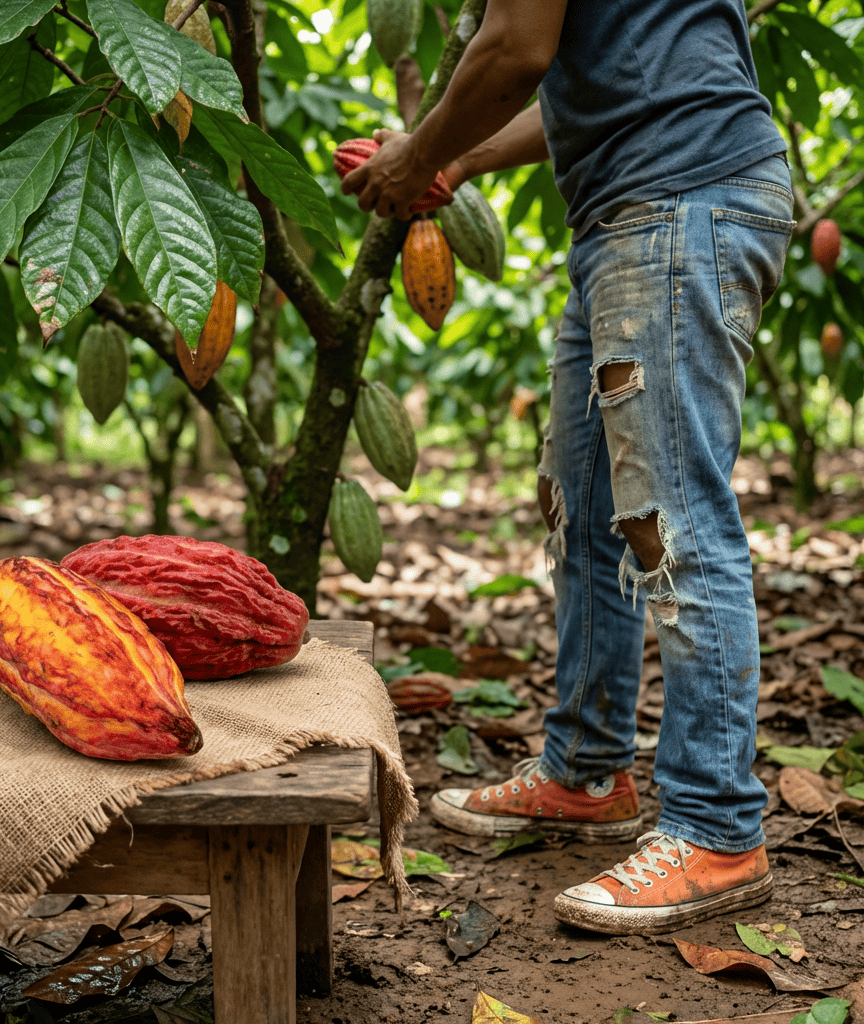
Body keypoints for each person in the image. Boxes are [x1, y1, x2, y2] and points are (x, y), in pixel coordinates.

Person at [342, 0, 795, 935]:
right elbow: (583, 79)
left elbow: (517, 48)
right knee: (587, 509)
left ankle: (716, 828)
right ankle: (587, 771)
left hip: (679, 199)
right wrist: (456, 157)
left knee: (672, 518)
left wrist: (415, 156)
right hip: (633, 213)